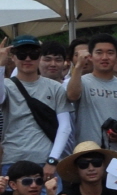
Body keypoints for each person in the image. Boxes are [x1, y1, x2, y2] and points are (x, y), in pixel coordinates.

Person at [0, 38, 74, 177]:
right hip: (12, 160)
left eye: (33, 54)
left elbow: (65, 126)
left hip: (45, 160)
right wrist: (1, 65)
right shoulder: (6, 85)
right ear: (13, 57)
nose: (28, 59)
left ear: (39, 57)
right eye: (22, 54)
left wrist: (52, 160)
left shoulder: (55, 87)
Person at [65, 35, 117, 162]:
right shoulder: (81, 82)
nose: (105, 57)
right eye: (99, 52)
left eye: (110, 53)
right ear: (90, 56)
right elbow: (72, 96)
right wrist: (78, 66)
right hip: (88, 155)